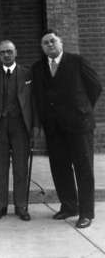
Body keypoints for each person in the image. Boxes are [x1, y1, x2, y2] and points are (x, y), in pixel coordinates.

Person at [32, 30, 102, 228]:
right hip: (54, 128)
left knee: (84, 168)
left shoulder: (77, 61)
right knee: (60, 168)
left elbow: (95, 87)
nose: (49, 45)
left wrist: (82, 109)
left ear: (61, 43)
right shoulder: (38, 68)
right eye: (45, 43)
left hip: (79, 125)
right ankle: (69, 206)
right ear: (42, 47)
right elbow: (39, 96)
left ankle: (86, 212)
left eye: (53, 41)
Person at [0, 40, 34, 221]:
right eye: (2, 52)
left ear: (16, 52)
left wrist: (33, 128)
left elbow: (33, 103)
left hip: (21, 127)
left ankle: (21, 206)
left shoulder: (27, 73)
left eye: (9, 51)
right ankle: (1, 206)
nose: (6, 55)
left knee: (21, 168)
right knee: (0, 168)